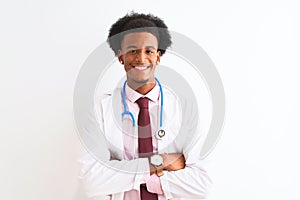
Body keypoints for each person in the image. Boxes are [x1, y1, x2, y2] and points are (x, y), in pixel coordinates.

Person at [79, 12, 212, 200]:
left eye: (149, 51)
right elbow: (91, 181)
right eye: (132, 50)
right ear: (121, 57)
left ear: (158, 57)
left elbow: (201, 185)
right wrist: (160, 161)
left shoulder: (185, 108)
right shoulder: (100, 109)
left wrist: (123, 172)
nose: (141, 58)